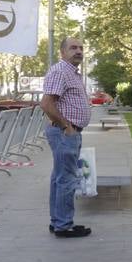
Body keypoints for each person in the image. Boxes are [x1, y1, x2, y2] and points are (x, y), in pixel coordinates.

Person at [40, 37, 92, 238]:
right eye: (73, 48)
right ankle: (63, 225)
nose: (78, 51)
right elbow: (46, 104)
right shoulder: (60, 71)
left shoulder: (72, 73)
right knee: (67, 179)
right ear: (62, 52)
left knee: (60, 178)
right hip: (65, 133)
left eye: (80, 48)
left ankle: (58, 222)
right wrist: (66, 127)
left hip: (69, 132)